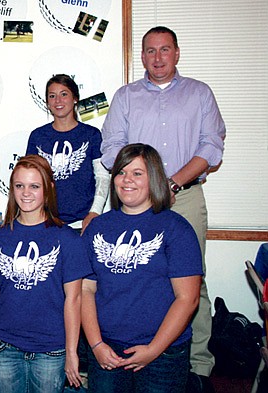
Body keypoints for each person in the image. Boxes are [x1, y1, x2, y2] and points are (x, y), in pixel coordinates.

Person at [100, 26, 225, 387]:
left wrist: (171, 183)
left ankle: (198, 366)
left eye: (164, 50)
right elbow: (111, 149)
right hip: (133, 200)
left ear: (177, 53)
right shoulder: (125, 97)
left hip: (183, 195)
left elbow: (211, 146)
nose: (157, 58)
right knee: (129, 276)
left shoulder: (200, 94)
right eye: (150, 51)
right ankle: (132, 351)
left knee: (191, 281)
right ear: (141, 56)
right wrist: (142, 181)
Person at [81, 143, 203, 393]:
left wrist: (153, 350)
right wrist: (96, 345)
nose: (127, 180)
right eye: (121, 172)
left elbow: (188, 299)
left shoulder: (176, 228)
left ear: (154, 178)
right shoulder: (96, 228)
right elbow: (85, 291)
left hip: (163, 355)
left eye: (137, 173)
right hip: (107, 352)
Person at [0, 155, 90, 393]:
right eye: (19, 186)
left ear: (48, 189)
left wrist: (72, 352)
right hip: (5, 348)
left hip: (51, 351)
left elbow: (74, 300)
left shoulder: (68, 239)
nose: (26, 193)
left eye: (34, 186)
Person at [26, 74, 109, 232]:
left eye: (64, 94)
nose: (58, 101)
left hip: (83, 224)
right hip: (47, 223)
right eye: (52, 96)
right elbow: (29, 181)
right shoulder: (37, 137)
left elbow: (102, 177)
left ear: (75, 98)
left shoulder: (91, 135)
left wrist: (95, 212)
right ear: (47, 103)